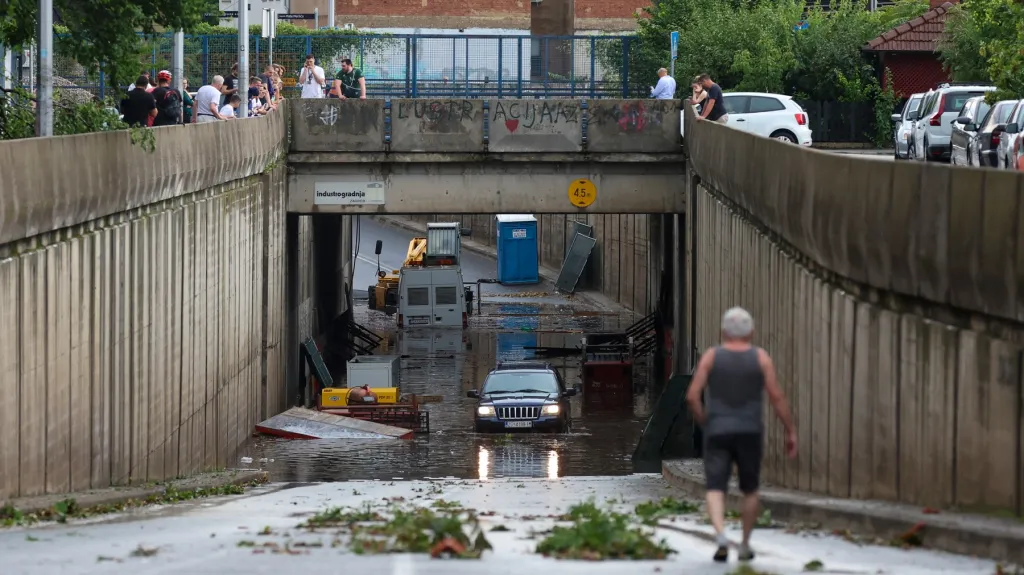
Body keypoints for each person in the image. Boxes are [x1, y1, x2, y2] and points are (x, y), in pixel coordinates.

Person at [685, 307, 796, 564]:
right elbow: (777, 397)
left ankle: (721, 535)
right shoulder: (761, 358)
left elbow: (692, 396)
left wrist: (705, 421)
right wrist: (790, 430)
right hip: (750, 431)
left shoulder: (711, 357)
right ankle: (744, 544)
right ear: (752, 332)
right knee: (750, 489)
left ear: (723, 332)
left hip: (718, 430)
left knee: (715, 487)